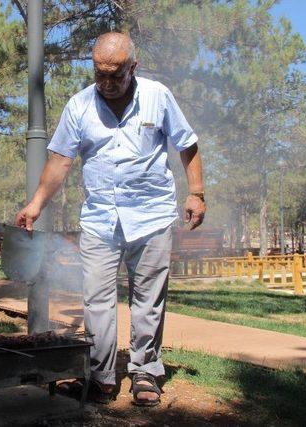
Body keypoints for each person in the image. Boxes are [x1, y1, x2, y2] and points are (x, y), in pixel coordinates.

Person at [15, 32, 206, 406]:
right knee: (97, 300)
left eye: (115, 75)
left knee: (147, 298)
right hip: (101, 219)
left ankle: (145, 372)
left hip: (151, 216)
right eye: (99, 74)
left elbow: (187, 144)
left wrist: (196, 192)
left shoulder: (158, 96)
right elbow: (60, 161)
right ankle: (100, 378)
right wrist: (36, 203)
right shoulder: (80, 105)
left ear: (133, 67)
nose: (106, 83)